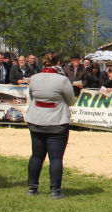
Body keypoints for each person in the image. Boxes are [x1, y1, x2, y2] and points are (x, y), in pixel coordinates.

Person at [25, 51, 76, 199]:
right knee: (55, 158)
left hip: (36, 120)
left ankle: (32, 188)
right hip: (57, 121)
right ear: (58, 63)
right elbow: (71, 101)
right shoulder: (62, 80)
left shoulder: (34, 78)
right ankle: (55, 191)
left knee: (36, 155)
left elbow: (31, 96)